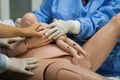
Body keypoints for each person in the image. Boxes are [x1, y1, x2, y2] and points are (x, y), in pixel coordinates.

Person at [1, 13, 120, 80]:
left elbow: (39, 18)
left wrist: (56, 32)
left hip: (80, 54)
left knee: (118, 21)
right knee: (70, 75)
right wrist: (24, 46)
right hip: (46, 62)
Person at [31, 0, 120, 77]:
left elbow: (103, 20)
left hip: (106, 64)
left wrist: (73, 26)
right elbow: (43, 14)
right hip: (65, 56)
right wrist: (36, 23)